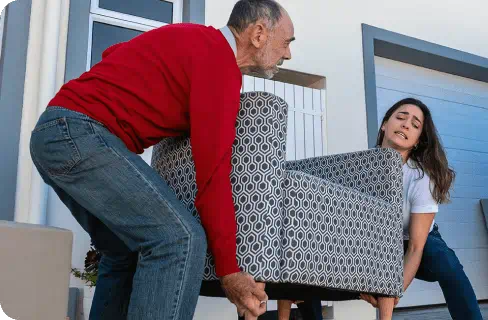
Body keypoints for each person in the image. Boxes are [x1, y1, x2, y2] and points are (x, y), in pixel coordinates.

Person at [28, 0, 295, 319]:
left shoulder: (191, 38)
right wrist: (229, 272)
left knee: (122, 251)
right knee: (179, 238)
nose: (288, 54)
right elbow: (211, 178)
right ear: (259, 33)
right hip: (79, 134)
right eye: (287, 42)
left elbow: (114, 52)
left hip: (53, 134)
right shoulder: (218, 64)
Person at [359, 98, 483, 320]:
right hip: (374, 242)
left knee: (448, 265)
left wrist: (395, 293)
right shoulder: (360, 167)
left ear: (417, 141)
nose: (406, 124)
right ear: (384, 125)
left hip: (417, 242)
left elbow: (416, 247)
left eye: (415, 125)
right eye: (400, 117)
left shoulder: (421, 177)